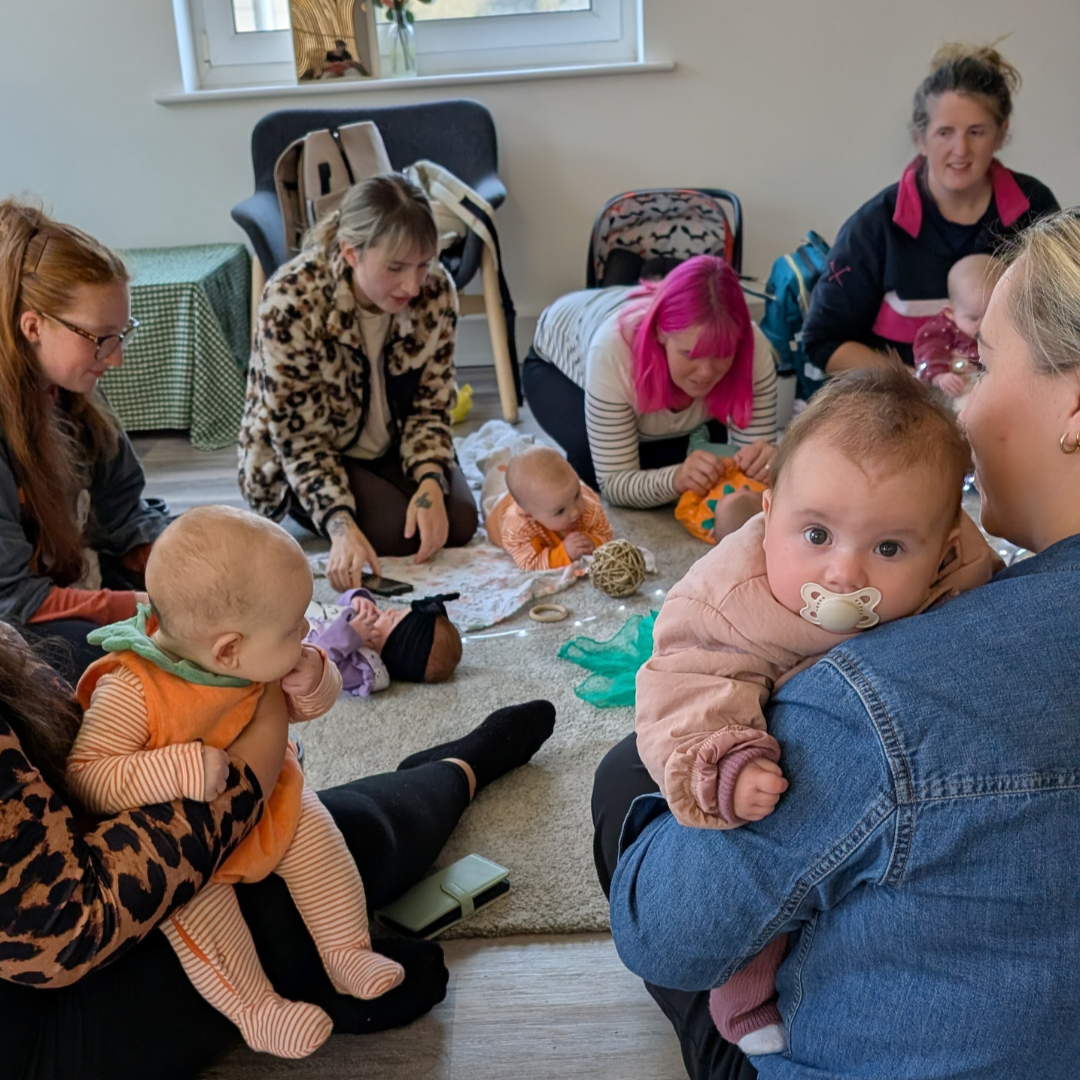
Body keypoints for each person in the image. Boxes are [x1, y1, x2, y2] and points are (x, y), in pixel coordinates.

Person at [594, 207, 1080, 1079]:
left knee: (625, 781)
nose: (965, 406)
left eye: (984, 362)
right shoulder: (740, 604)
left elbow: (665, 937)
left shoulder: (873, 702)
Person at [2, 610, 557, 1079]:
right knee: (312, 868)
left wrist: (306, 676)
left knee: (326, 837)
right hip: (52, 993)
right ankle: (281, 989)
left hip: (72, 884)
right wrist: (254, 758)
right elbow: (68, 923)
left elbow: (312, 694)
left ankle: (450, 777)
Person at [635, 370, 998, 1056]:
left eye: (888, 548)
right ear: (771, 514)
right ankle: (741, 992)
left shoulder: (964, 575)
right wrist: (727, 758)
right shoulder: (728, 600)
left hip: (891, 795)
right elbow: (684, 686)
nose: (844, 574)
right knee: (759, 876)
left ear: (945, 547)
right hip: (765, 755)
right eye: (816, 534)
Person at [66, 506, 407, 1059]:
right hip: (184, 846)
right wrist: (177, 768)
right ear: (228, 649)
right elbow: (87, 777)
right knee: (197, 912)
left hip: (268, 799)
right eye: (294, 626)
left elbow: (303, 708)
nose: (306, 631)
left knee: (317, 836)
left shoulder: (248, 655)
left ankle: (347, 951)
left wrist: (316, 679)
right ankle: (256, 1010)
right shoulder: (131, 688)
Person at [239, 174, 479, 593]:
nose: (413, 285)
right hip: (312, 454)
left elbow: (431, 405)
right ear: (351, 253)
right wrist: (339, 523)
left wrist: (428, 479)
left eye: (424, 264)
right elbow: (299, 439)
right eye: (396, 268)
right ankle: (319, 512)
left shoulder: (436, 290)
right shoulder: (291, 300)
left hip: (388, 441)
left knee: (458, 521)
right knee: (397, 532)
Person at [801, 43, 1058, 378]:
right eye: (944, 133)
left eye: (976, 132)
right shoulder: (874, 227)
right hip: (904, 399)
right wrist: (921, 384)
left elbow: (1063, 323)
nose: (960, 149)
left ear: (1001, 134)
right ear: (919, 138)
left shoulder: (1036, 209)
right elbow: (822, 340)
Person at [0, 200, 169, 680]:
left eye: (121, 334)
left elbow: (123, 513)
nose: (114, 358)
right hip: (13, 613)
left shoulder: (73, 389)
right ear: (33, 326)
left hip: (56, 580)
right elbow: (12, 599)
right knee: (127, 667)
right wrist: (142, 605)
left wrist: (177, 562)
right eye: (100, 338)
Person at [522, 255, 779, 509]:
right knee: (593, 464)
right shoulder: (613, 351)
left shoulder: (753, 348)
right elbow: (614, 483)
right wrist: (676, 479)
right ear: (660, 333)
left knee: (699, 457)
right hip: (555, 363)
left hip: (616, 319)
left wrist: (768, 462)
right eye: (689, 354)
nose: (705, 372)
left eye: (722, 355)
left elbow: (754, 471)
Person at [482, 446, 614, 570]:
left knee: (535, 470)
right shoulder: (518, 531)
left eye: (576, 495)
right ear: (529, 515)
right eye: (560, 511)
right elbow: (530, 563)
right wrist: (564, 553)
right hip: (496, 506)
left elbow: (604, 531)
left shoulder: (583, 500)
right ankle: (495, 458)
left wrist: (594, 542)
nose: (575, 511)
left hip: (533, 499)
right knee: (497, 474)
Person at [311, 588, 463, 694]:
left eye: (392, 619)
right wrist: (357, 599)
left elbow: (314, 669)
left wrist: (349, 634)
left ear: (395, 647)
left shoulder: (361, 669)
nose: (389, 610)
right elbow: (333, 609)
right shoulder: (359, 626)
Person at [914, 253, 1002, 397]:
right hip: (955, 392)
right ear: (950, 312)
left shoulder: (1010, 327)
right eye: (974, 318)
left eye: (993, 316)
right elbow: (929, 355)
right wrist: (940, 377)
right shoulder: (941, 330)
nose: (984, 325)